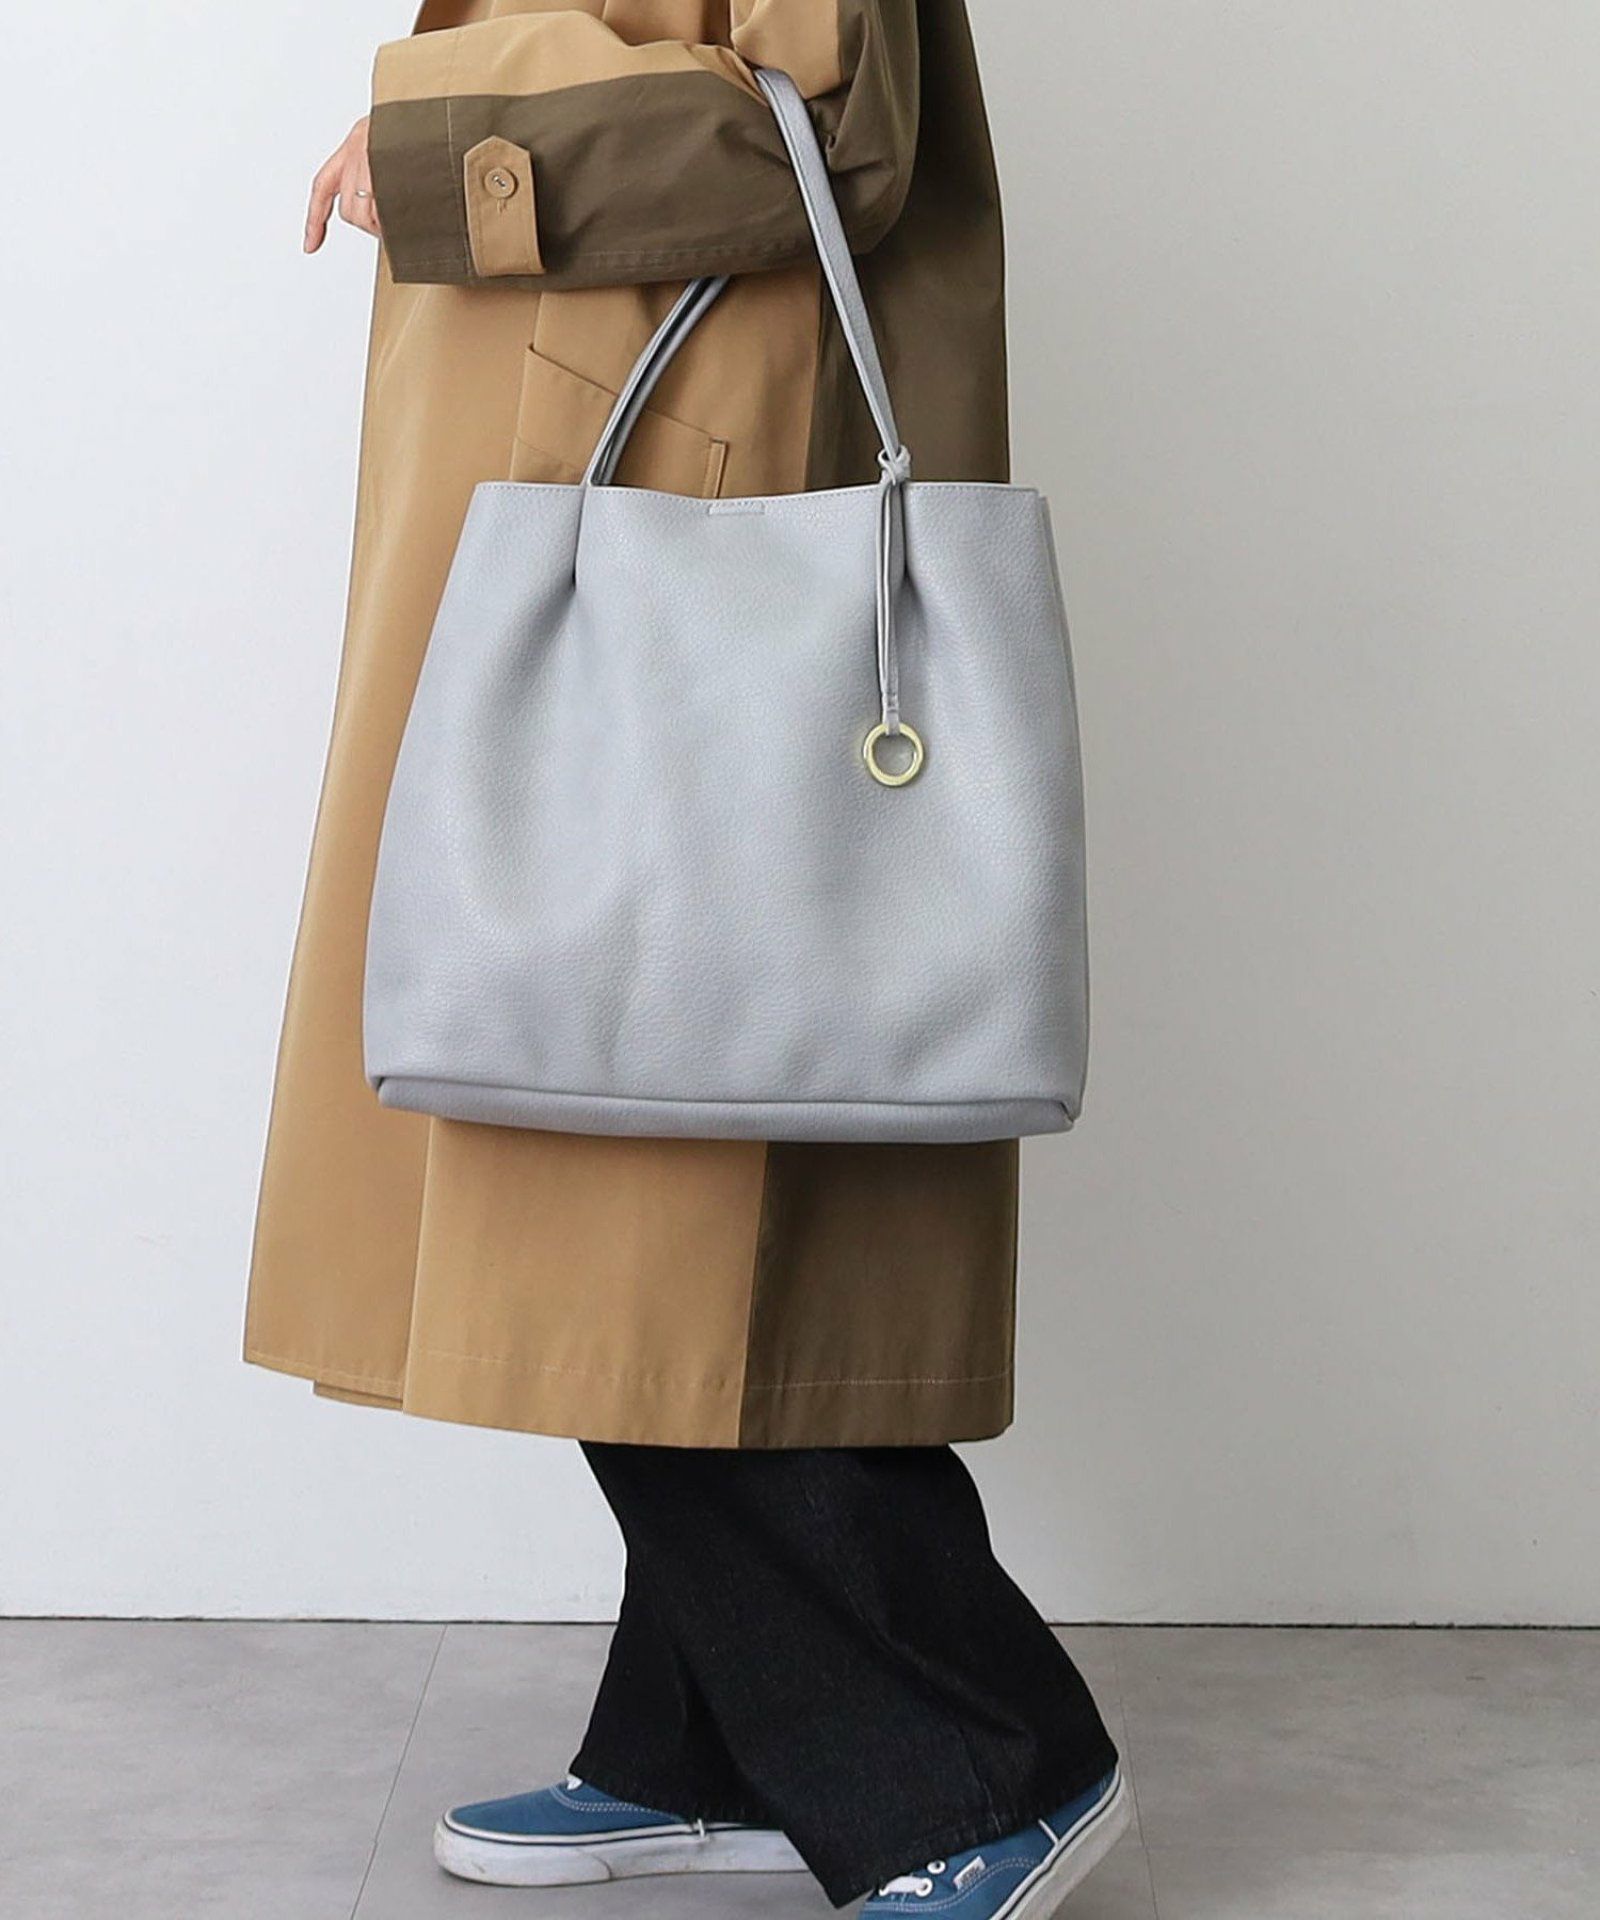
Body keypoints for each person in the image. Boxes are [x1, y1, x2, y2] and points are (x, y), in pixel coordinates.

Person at [249, 4, 1128, 1912]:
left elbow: (836, 128)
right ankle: (713, 1739)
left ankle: (986, 1765)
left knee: (635, 1187)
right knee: (623, 1159)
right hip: (594, 481)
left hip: (689, 493)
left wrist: (453, 155)